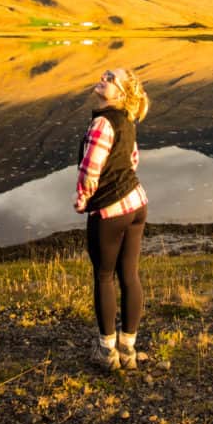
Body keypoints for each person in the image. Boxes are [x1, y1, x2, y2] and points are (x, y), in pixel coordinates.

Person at [74, 67, 149, 370]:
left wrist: (82, 201)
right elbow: (132, 159)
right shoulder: (127, 119)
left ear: (121, 93)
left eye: (110, 79)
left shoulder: (102, 123)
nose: (103, 79)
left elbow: (90, 170)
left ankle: (107, 352)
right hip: (136, 202)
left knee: (104, 276)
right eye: (105, 74)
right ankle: (128, 348)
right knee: (129, 275)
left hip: (110, 209)